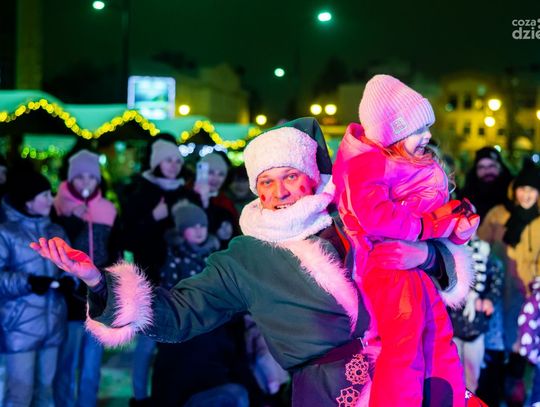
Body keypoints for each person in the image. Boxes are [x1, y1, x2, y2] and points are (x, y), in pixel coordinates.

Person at [33, 117, 466, 407]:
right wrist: (97, 282)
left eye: (290, 176)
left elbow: (431, 264)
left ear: (310, 176)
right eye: (266, 182)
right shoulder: (248, 256)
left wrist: (428, 254)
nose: (279, 192)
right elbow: (178, 313)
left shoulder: (355, 220)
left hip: (414, 371)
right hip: (330, 392)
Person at [332, 74, 477, 406]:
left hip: (416, 273)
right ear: (393, 132)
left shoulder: (402, 166)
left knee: (438, 339)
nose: (428, 136)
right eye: (418, 129)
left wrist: (452, 225)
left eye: (427, 128)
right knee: (404, 349)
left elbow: (425, 215)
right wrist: (429, 226)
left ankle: (446, 398)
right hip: (390, 271)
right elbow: (375, 215)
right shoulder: (367, 164)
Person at [120, 138, 199, 405]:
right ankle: (140, 397)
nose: (174, 166)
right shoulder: (140, 194)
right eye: (168, 160)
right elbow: (127, 238)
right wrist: (153, 218)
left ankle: (171, 394)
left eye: (177, 161)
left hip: (183, 279)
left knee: (177, 343)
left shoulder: (186, 194)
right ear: (156, 163)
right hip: (150, 279)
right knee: (147, 343)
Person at [52, 149, 119, 407]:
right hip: (69, 297)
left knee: (92, 364)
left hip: (98, 295)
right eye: (79, 177)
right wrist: (73, 221)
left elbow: (115, 248)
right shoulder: (57, 206)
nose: (86, 182)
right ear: (70, 179)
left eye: (91, 176)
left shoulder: (108, 208)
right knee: (67, 363)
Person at [0, 169, 69, 407]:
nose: (51, 200)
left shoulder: (56, 231)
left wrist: (70, 280)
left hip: (53, 323)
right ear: (28, 201)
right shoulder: (6, 233)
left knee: (46, 391)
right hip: (19, 326)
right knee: (20, 393)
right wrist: (28, 282)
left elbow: (72, 265)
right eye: (45, 195)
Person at [477, 161, 540, 406]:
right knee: (494, 345)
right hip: (498, 290)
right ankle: (491, 396)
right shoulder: (499, 214)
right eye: (522, 188)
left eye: (532, 189)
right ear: (515, 190)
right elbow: (480, 245)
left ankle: (515, 394)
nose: (526, 194)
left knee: (519, 347)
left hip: (526, 294)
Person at [460, 147, 514, 222]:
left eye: (491, 166)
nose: (487, 171)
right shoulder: (467, 194)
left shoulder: (513, 192)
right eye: (481, 167)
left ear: (500, 167)